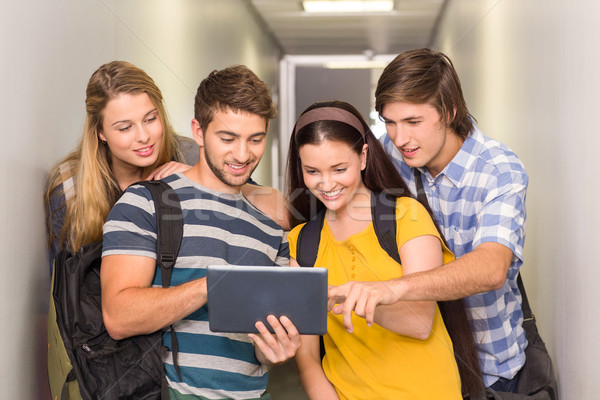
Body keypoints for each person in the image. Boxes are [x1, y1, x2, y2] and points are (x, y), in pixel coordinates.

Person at [100, 65, 300, 399]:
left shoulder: (271, 227)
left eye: (256, 139)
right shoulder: (146, 202)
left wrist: (275, 349)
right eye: (227, 138)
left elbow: (261, 351)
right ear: (198, 131)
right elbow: (118, 316)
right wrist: (213, 285)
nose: (242, 154)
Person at [344, 47, 527, 392]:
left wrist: (393, 289)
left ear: (449, 111)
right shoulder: (389, 156)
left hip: (489, 372)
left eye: (413, 122)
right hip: (414, 369)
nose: (400, 138)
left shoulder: (499, 170)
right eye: (390, 122)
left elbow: (491, 268)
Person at [286, 101, 481, 399]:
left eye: (339, 169)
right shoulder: (300, 243)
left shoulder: (406, 216)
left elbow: (419, 323)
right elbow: (308, 359)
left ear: (363, 156)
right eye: (313, 171)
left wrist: (345, 297)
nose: (326, 184)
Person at [44, 61, 289, 271]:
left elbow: (274, 210)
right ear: (100, 132)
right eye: (125, 127)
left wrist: (197, 180)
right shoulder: (70, 186)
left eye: (150, 119)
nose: (143, 136)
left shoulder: (190, 154)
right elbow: (66, 285)